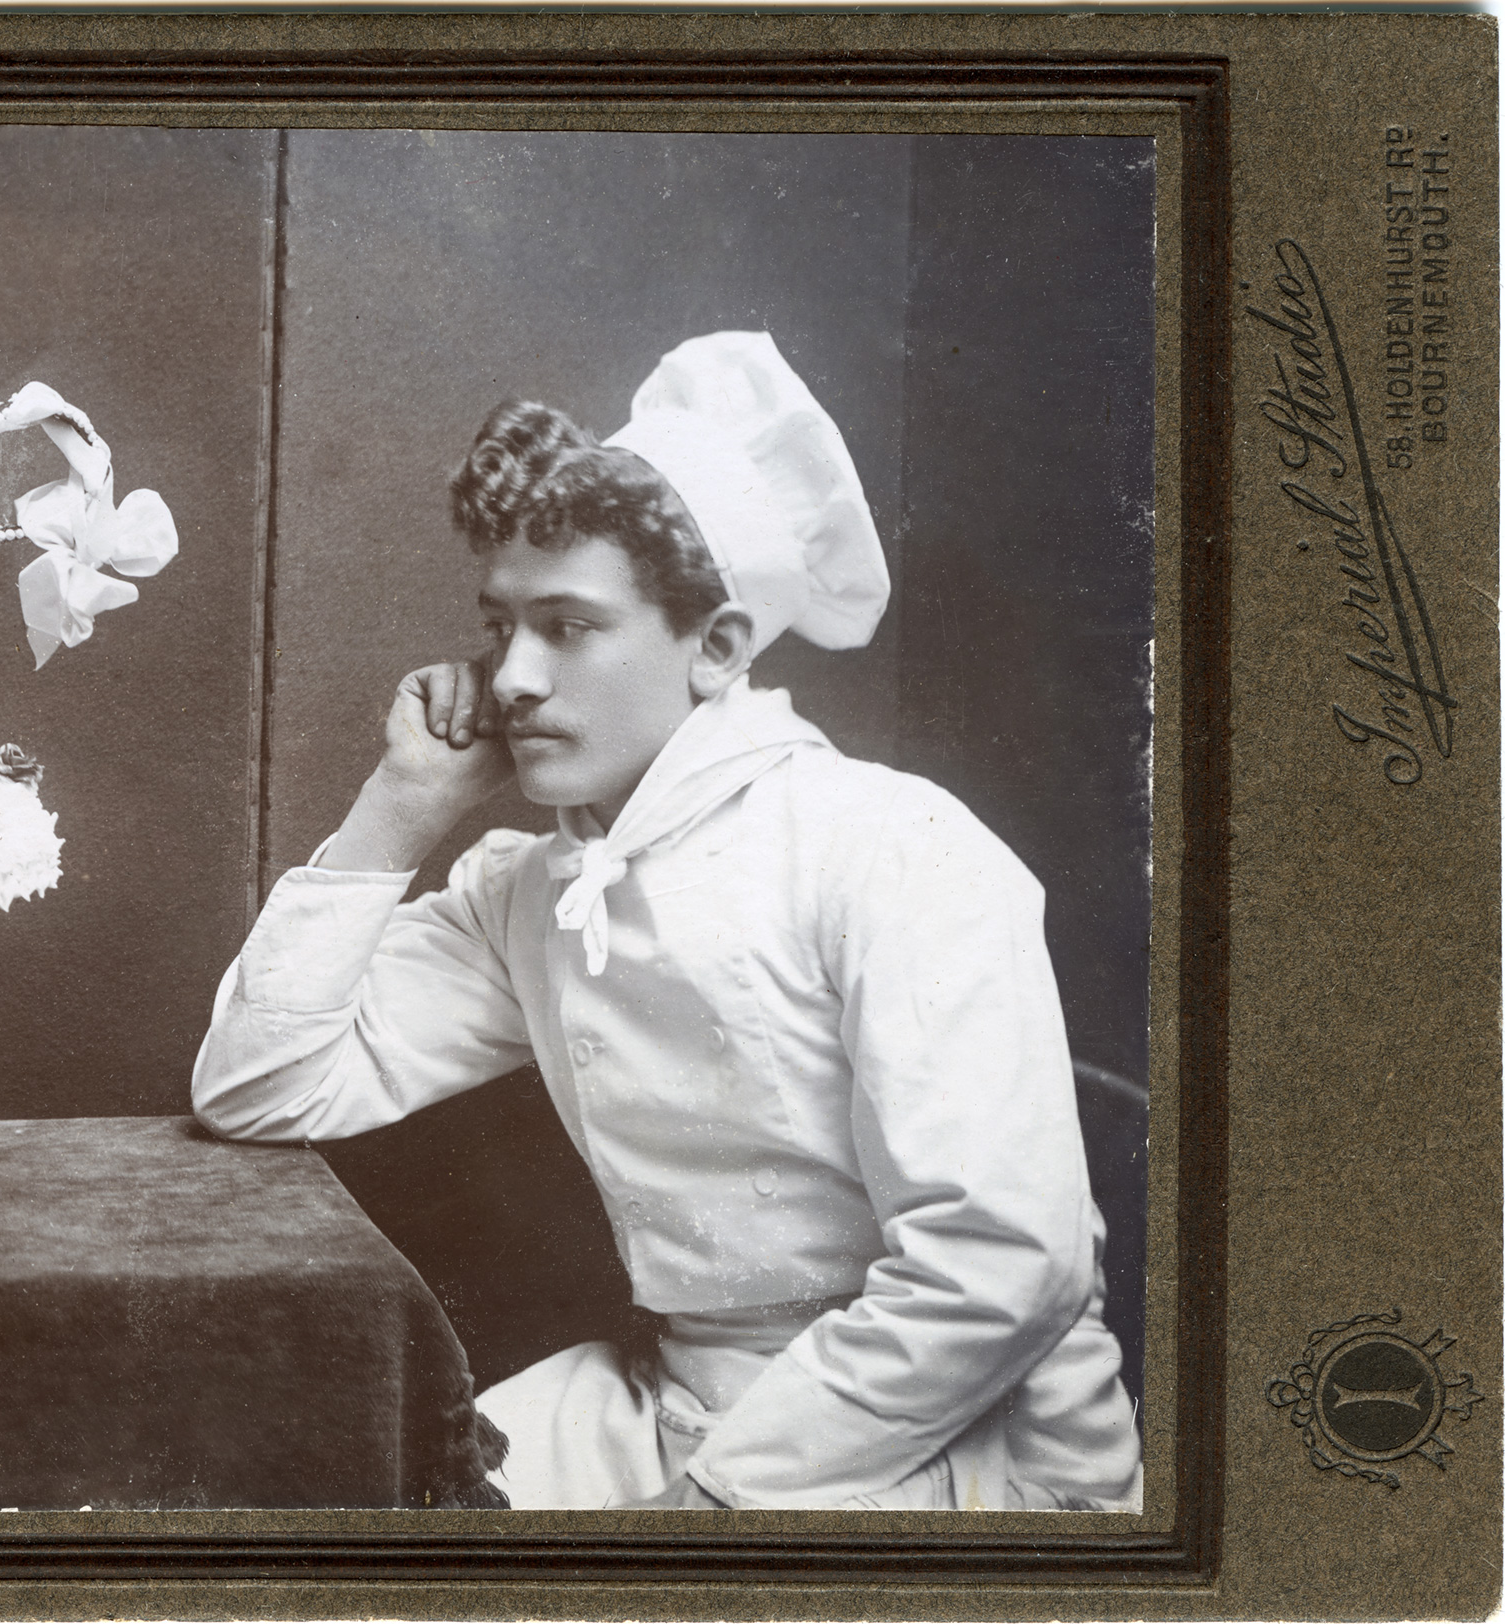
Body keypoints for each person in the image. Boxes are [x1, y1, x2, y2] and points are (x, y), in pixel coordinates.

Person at [190, 332, 1144, 1511]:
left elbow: (1003, 1269)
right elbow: (259, 1089)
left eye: (569, 625)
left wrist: (714, 1509)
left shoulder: (891, 846)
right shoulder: (532, 886)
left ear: (720, 647)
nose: (513, 680)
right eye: (500, 626)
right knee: (334, 1505)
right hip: (675, 1399)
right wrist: (395, 812)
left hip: (951, 1441)